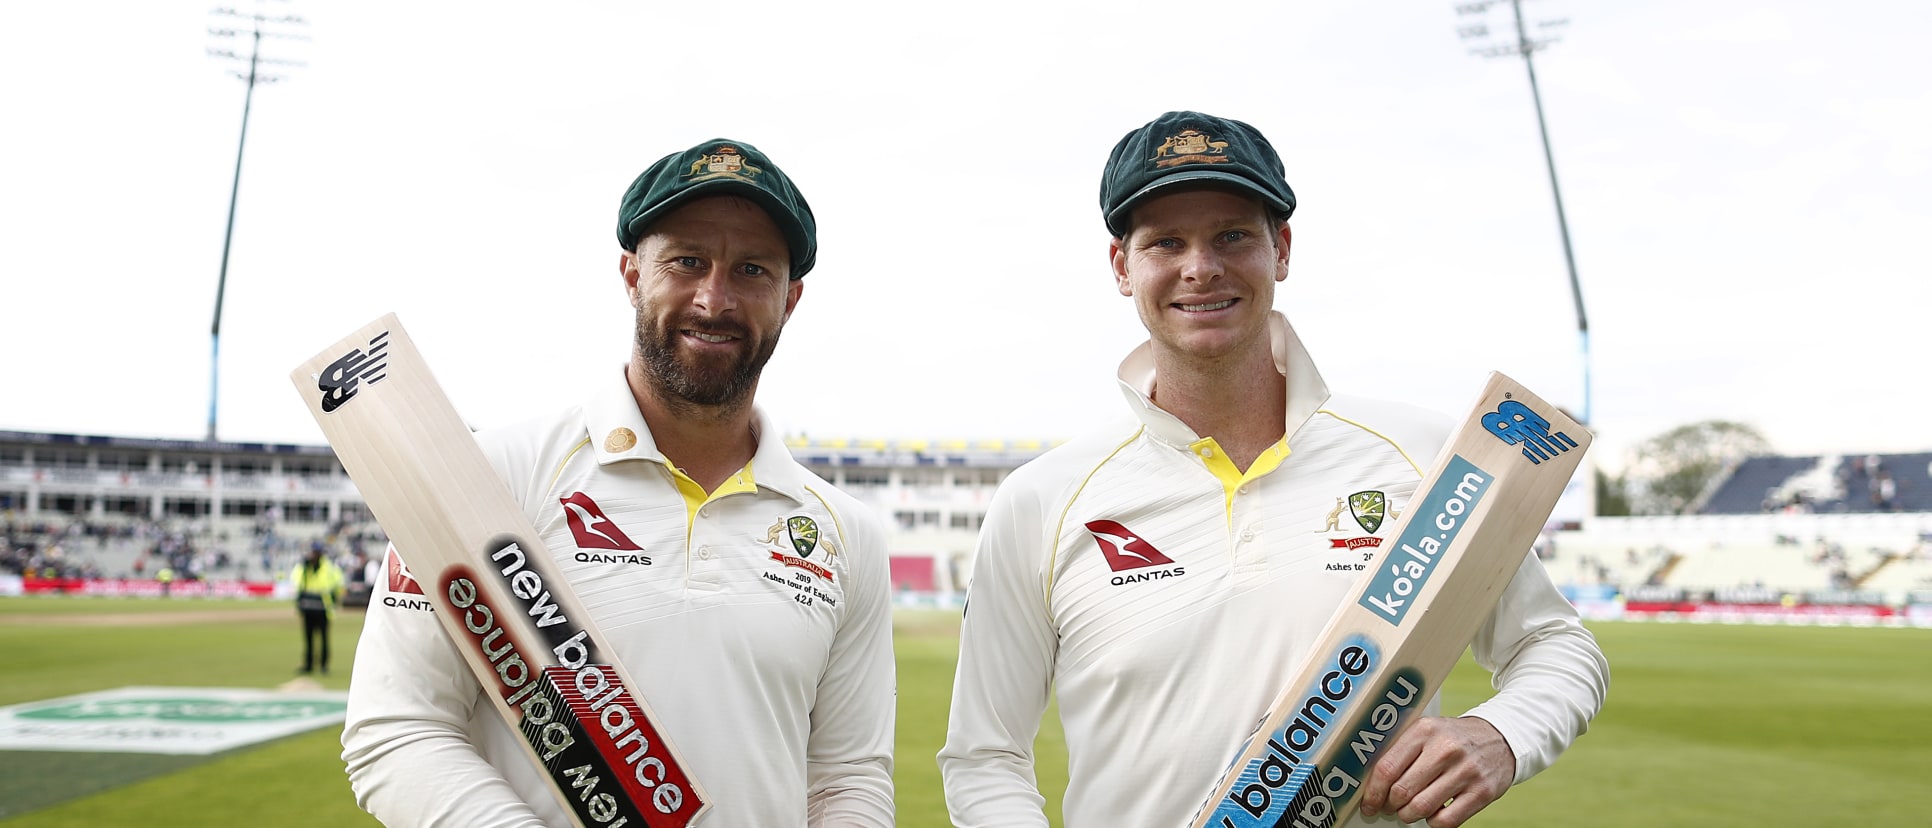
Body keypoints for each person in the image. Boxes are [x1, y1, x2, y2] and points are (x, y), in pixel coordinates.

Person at [939, 111, 1609, 828]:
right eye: (1166, 241)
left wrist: (1501, 733)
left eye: (1232, 235)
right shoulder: (1044, 499)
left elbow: (1554, 643)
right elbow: (985, 755)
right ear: (1121, 267)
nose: (1201, 266)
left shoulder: (1425, 455)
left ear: (1280, 250)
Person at [341, 138, 896, 827]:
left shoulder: (848, 535)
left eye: (752, 270)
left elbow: (847, 778)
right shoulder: (491, 472)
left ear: (791, 298)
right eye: (687, 261)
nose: (714, 298)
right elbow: (396, 728)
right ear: (633, 274)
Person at [291, 541, 345, 674]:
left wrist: (334, 599)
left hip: (323, 608)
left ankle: (324, 665)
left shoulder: (329, 567)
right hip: (308, 607)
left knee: (324, 638)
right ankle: (308, 664)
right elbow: (296, 583)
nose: (314, 554)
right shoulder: (304, 567)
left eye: (316, 552)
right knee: (308, 638)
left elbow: (338, 583)